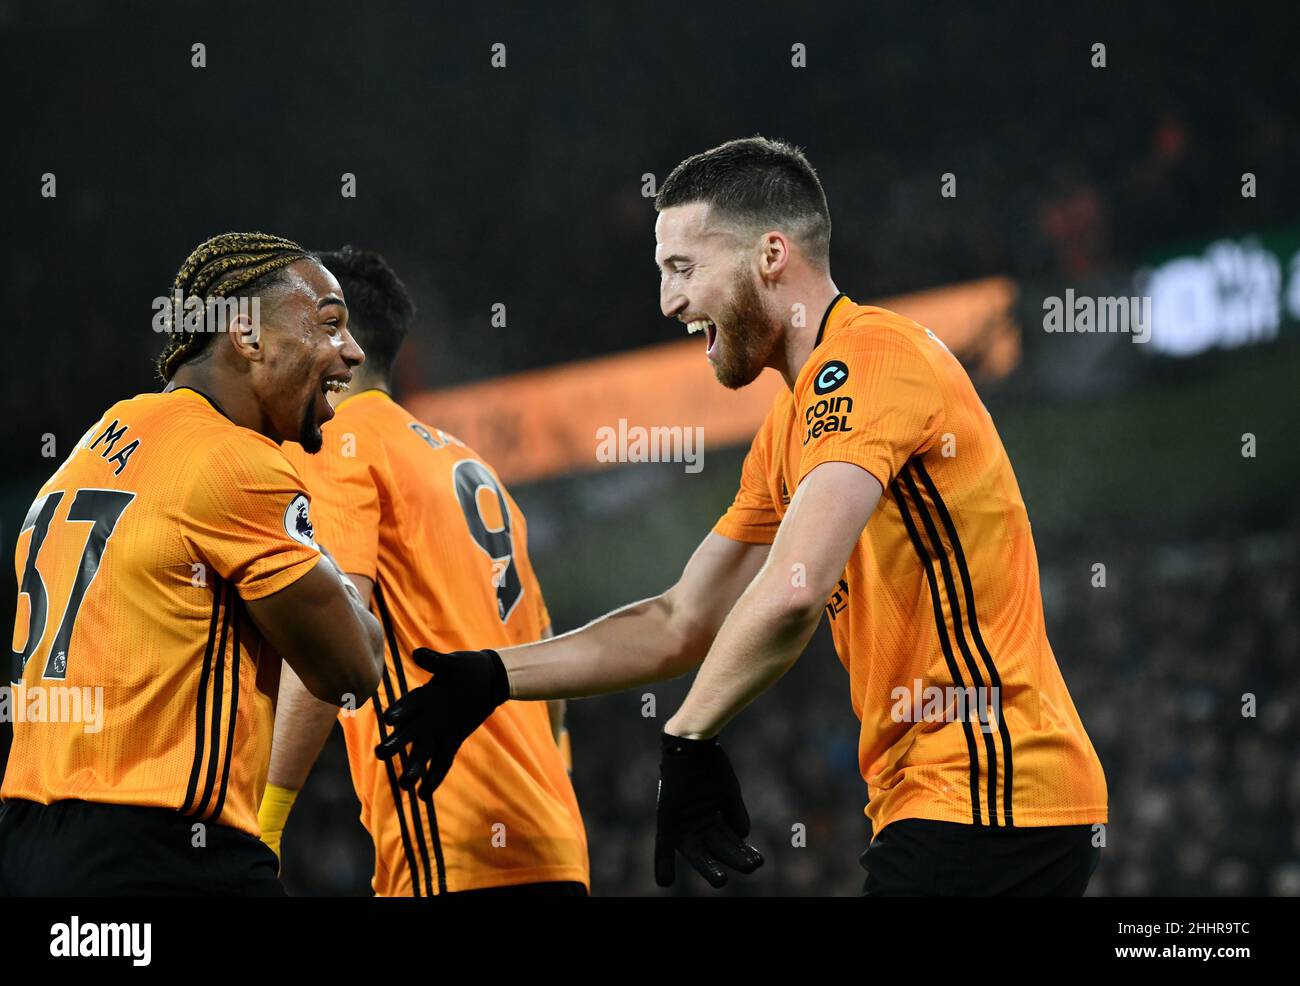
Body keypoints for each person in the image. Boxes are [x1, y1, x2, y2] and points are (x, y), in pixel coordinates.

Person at [377, 137, 1109, 896]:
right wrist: (494, 675)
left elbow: (794, 588)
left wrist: (687, 736)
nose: (669, 302)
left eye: (683, 269)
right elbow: (678, 621)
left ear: (769, 256)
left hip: (991, 788)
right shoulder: (794, 426)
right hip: (955, 804)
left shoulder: (869, 359)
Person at [0, 232, 384, 896]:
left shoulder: (95, 443)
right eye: (328, 323)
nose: (352, 351)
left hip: (32, 844)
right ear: (247, 334)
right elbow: (353, 668)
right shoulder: (232, 460)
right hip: (165, 853)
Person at [261, 247, 588, 896]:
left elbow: (336, 631)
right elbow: (547, 671)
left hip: (453, 835)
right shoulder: (472, 466)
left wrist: (262, 821)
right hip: (552, 840)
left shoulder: (339, 446)